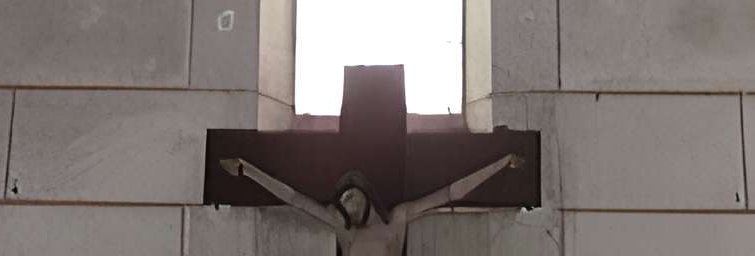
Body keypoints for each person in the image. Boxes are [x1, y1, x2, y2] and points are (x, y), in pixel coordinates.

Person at [215, 150, 524, 250]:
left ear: (366, 196)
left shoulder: (397, 220)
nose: (346, 202)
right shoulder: (344, 230)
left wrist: (500, 164)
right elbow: (295, 199)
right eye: (343, 200)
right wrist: (246, 169)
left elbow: (449, 194)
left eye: (350, 195)